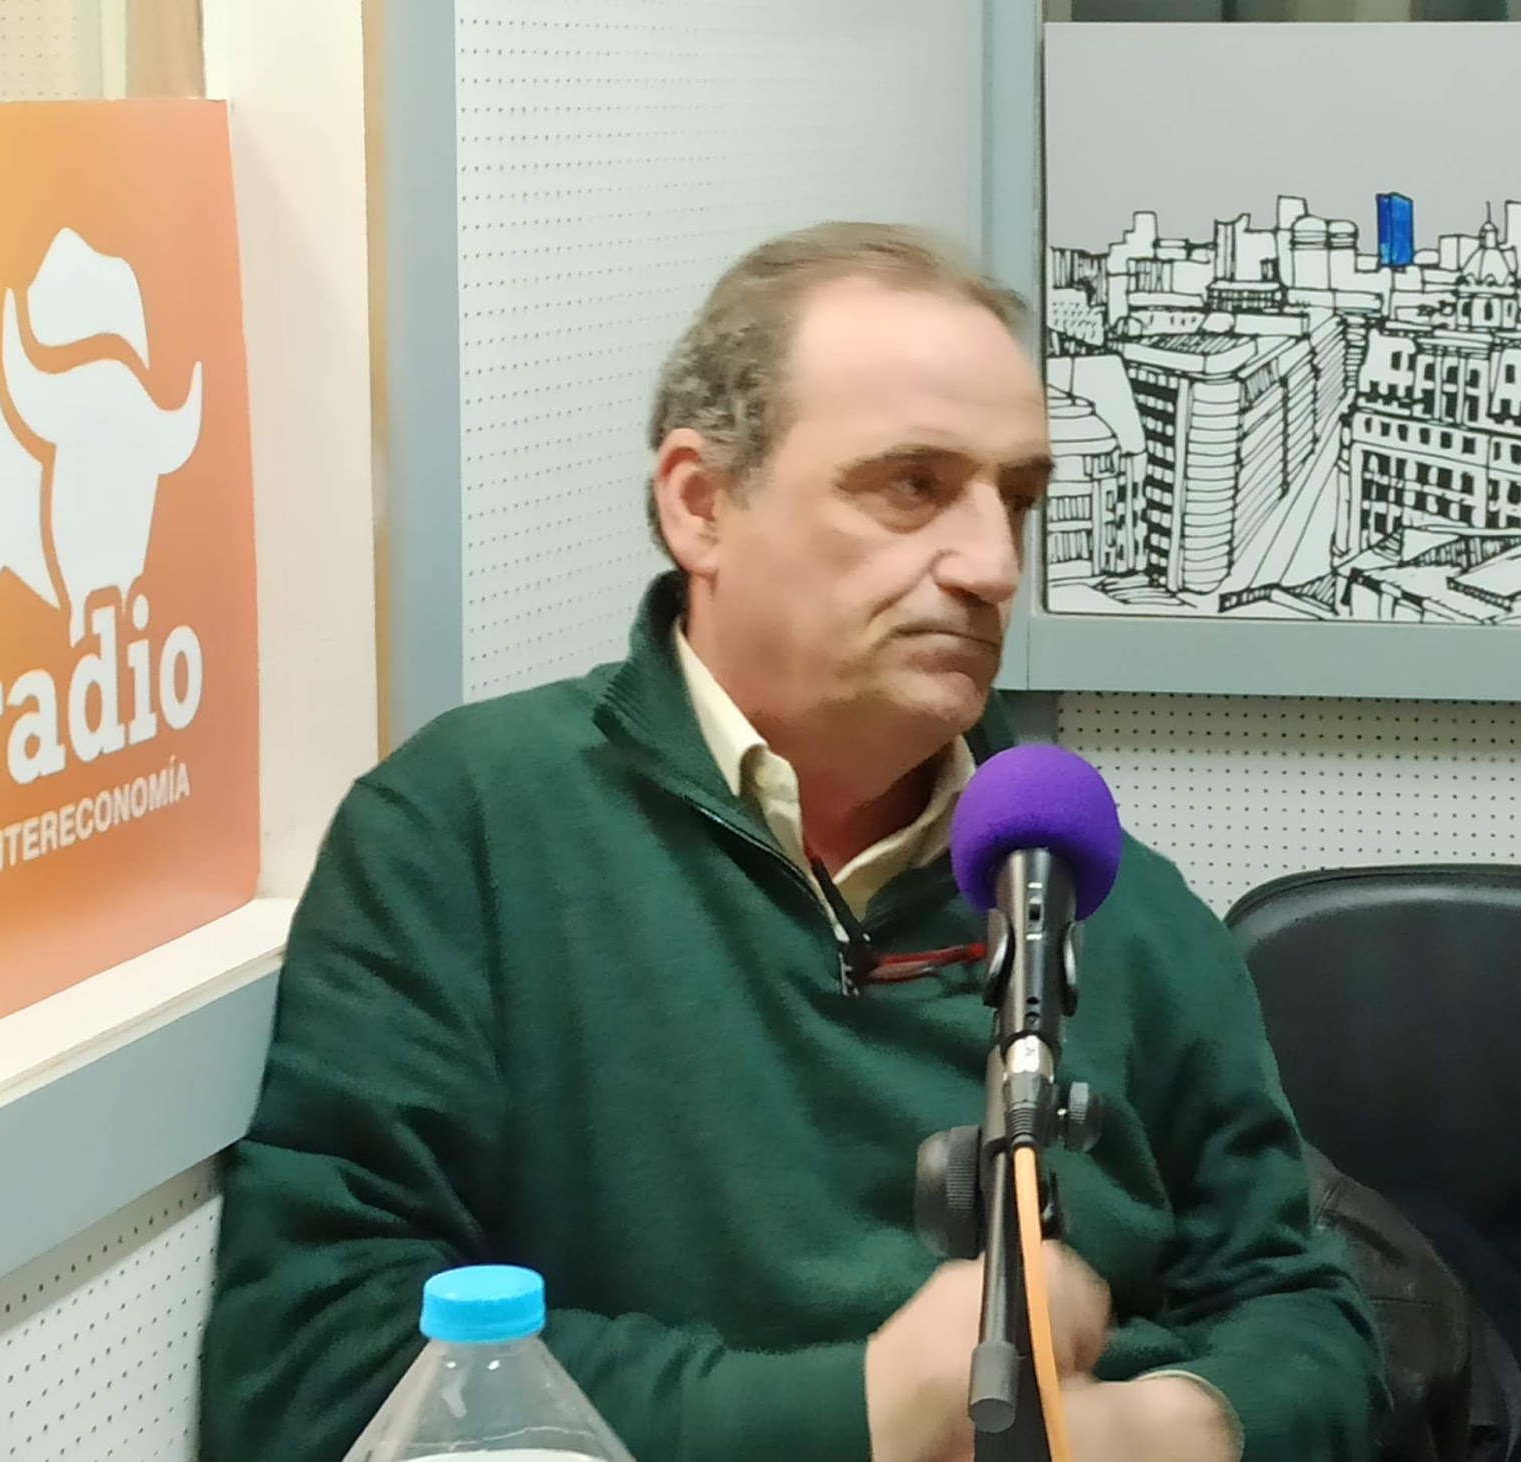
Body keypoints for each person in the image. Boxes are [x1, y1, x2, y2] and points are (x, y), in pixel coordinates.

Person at [199, 222, 1383, 1462]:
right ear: (701, 504)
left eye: (1017, 499)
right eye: (911, 486)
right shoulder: (467, 835)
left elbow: (1307, 1314)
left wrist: (1174, 1424)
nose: (992, 564)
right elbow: (314, 1375)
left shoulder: (1104, 895)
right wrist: (865, 1410)